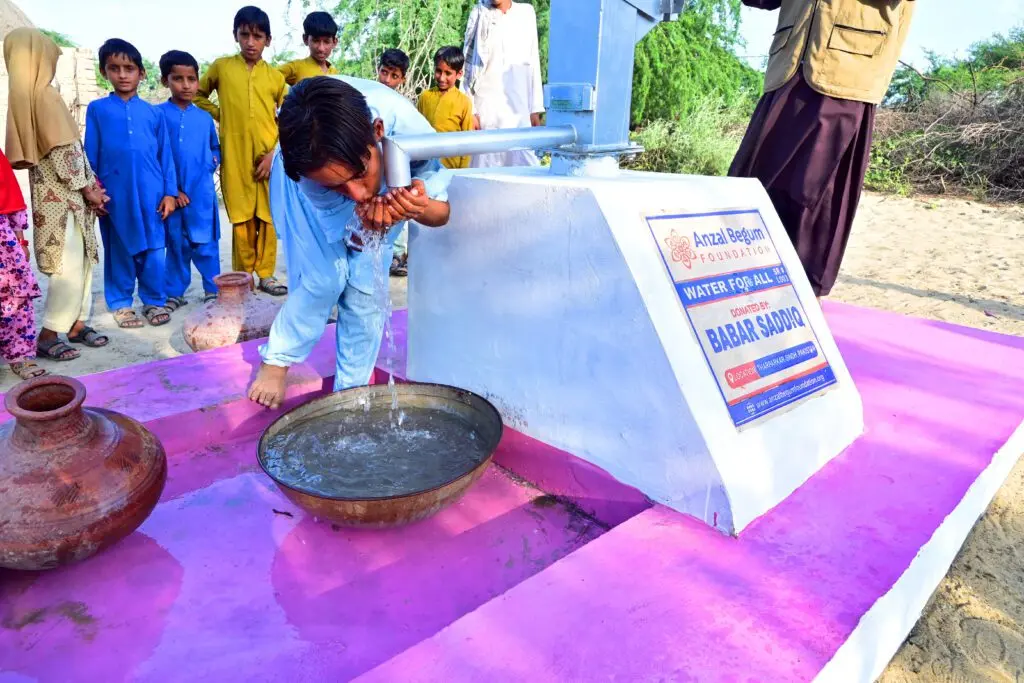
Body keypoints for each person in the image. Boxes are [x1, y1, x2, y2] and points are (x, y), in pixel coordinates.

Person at [248, 76, 453, 410]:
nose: (358, 194)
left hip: (370, 172)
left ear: (379, 131)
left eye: (360, 174)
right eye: (341, 188)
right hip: (306, 177)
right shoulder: (310, 175)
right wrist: (363, 212)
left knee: (365, 288)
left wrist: (415, 207)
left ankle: (351, 394)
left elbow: (441, 213)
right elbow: (345, 227)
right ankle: (277, 358)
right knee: (323, 278)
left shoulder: (412, 134)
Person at [729, 0, 916, 299]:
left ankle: (800, 299)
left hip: (846, 68)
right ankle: (742, 280)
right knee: (752, 185)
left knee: (814, 195)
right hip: (788, 67)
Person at [4, 28, 110, 360]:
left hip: (59, 201)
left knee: (78, 262)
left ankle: (77, 325)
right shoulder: (44, 97)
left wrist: (89, 189)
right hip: (65, 204)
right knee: (69, 269)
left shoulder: (26, 100)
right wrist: (91, 191)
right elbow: (67, 155)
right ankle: (49, 334)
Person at [196, 5, 288, 297]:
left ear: (268, 40)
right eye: (245, 35)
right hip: (234, 155)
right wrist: (221, 114)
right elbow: (198, 94)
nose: (251, 42)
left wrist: (275, 154)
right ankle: (243, 274)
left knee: (268, 217)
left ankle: (266, 274)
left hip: (269, 157)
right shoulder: (222, 67)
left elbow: (290, 116)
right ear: (235, 35)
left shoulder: (276, 78)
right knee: (241, 217)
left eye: (258, 36)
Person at [86, 38, 178, 328]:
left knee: (153, 248)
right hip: (115, 194)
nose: (122, 75)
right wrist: (95, 192)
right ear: (105, 72)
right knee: (119, 247)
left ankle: (153, 300)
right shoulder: (97, 110)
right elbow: (90, 154)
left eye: (129, 68)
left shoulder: (154, 114)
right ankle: (122, 304)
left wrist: (169, 194)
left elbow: (166, 157)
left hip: (152, 193)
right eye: (115, 68)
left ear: (142, 73)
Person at [158, 50, 222, 307]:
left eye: (191, 79)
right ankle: (175, 293)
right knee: (176, 245)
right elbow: (156, 156)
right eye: (178, 78)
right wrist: (173, 190)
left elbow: (215, 149)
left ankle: (214, 290)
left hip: (202, 194)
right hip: (172, 197)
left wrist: (210, 164)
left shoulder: (205, 118)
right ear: (165, 81)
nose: (186, 85)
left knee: (206, 243)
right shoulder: (158, 115)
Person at [462, 0, 545, 167]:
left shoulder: (526, 13)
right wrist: (470, 109)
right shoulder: (479, 13)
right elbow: (468, 65)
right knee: (486, 166)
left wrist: (535, 107)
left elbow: (533, 61)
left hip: (518, 106)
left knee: (525, 165)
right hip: (486, 105)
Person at [0, 147, 46, 380]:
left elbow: (10, 194)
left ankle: (20, 356)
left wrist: (20, 239)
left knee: (16, 296)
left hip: (2, 241)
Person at [278, 11, 339, 85]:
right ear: (305, 39)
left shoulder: (336, 74)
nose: (321, 48)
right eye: (316, 41)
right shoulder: (295, 67)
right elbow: (266, 78)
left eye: (326, 42)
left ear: (334, 42)